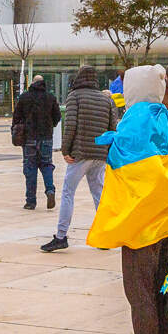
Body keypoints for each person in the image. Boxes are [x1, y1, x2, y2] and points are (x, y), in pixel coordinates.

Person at [91, 65, 168, 334]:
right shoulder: (165, 117)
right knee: (165, 290)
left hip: (143, 225)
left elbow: (137, 175)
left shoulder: (134, 120)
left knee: (141, 294)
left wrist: (114, 139)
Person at [42, 65, 116, 252]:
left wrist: (66, 149)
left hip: (81, 153)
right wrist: (106, 151)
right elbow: (112, 129)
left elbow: (70, 124)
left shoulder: (75, 96)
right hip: (100, 154)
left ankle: (61, 236)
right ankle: (106, 235)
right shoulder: (105, 99)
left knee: (68, 192)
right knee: (98, 194)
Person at [12, 74, 62, 211]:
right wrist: (49, 124)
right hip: (46, 137)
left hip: (29, 138)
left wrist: (16, 131)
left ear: (32, 83)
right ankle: (50, 190)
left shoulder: (24, 97)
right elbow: (57, 116)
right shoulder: (50, 97)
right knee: (46, 165)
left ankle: (30, 201)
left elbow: (16, 117)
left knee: (30, 168)